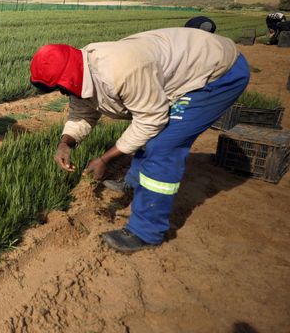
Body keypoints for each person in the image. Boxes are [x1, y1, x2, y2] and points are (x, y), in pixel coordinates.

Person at [29, 28, 249, 253]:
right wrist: (66, 143)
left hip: (217, 74)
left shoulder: (122, 71)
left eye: (59, 88)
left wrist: (106, 159)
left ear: (70, 79)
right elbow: (82, 113)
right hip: (185, 65)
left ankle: (146, 231)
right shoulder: (80, 69)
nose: (61, 94)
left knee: (164, 145)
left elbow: (150, 121)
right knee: (152, 136)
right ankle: (135, 181)